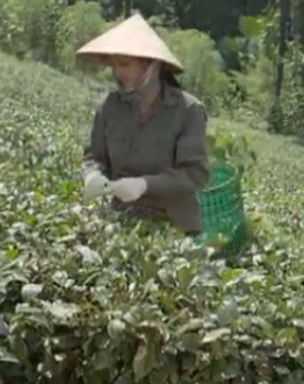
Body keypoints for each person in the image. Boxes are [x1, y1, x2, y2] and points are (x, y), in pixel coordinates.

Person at [76, 13, 209, 236]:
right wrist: (92, 174)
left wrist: (145, 184)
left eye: (125, 65)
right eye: (114, 66)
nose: (118, 73)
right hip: (122, 217)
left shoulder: (187, 111)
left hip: (173, 225)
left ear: (152, 66)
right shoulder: (110, 106)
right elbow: (94, 157)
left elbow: (195, 174)